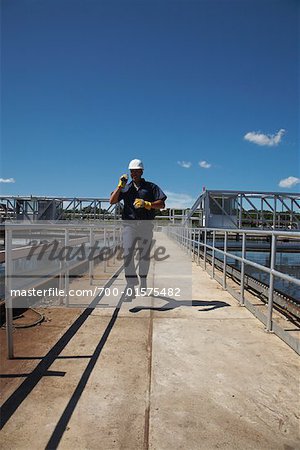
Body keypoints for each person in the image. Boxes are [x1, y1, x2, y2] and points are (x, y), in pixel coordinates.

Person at [110, 159, 167, 299]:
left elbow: (162, 205)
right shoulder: (125, 188)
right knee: (127, 254)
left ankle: (143, 281)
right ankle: (131, 286)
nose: (134, 173)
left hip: (146, 225)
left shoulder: (151, 187)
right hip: (129, 225)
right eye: (132, 171)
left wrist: (147, 204)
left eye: (136, 171)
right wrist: (119, 186)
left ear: (142, 171)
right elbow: (112, 201)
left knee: (144, 256)